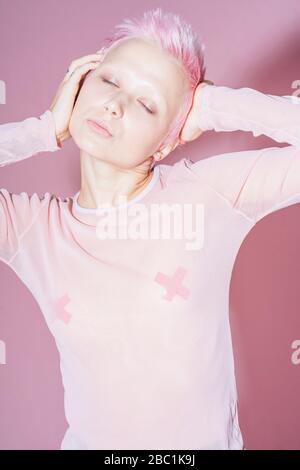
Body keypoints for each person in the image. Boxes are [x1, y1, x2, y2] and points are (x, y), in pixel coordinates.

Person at [1, 7, 299, 450]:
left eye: (147, 103)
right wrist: (44, 129)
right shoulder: (32, 229)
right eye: (109, 81)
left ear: (167, 142)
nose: (115, 106)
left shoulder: (208, 194)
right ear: (80, 83)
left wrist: (213, 106)